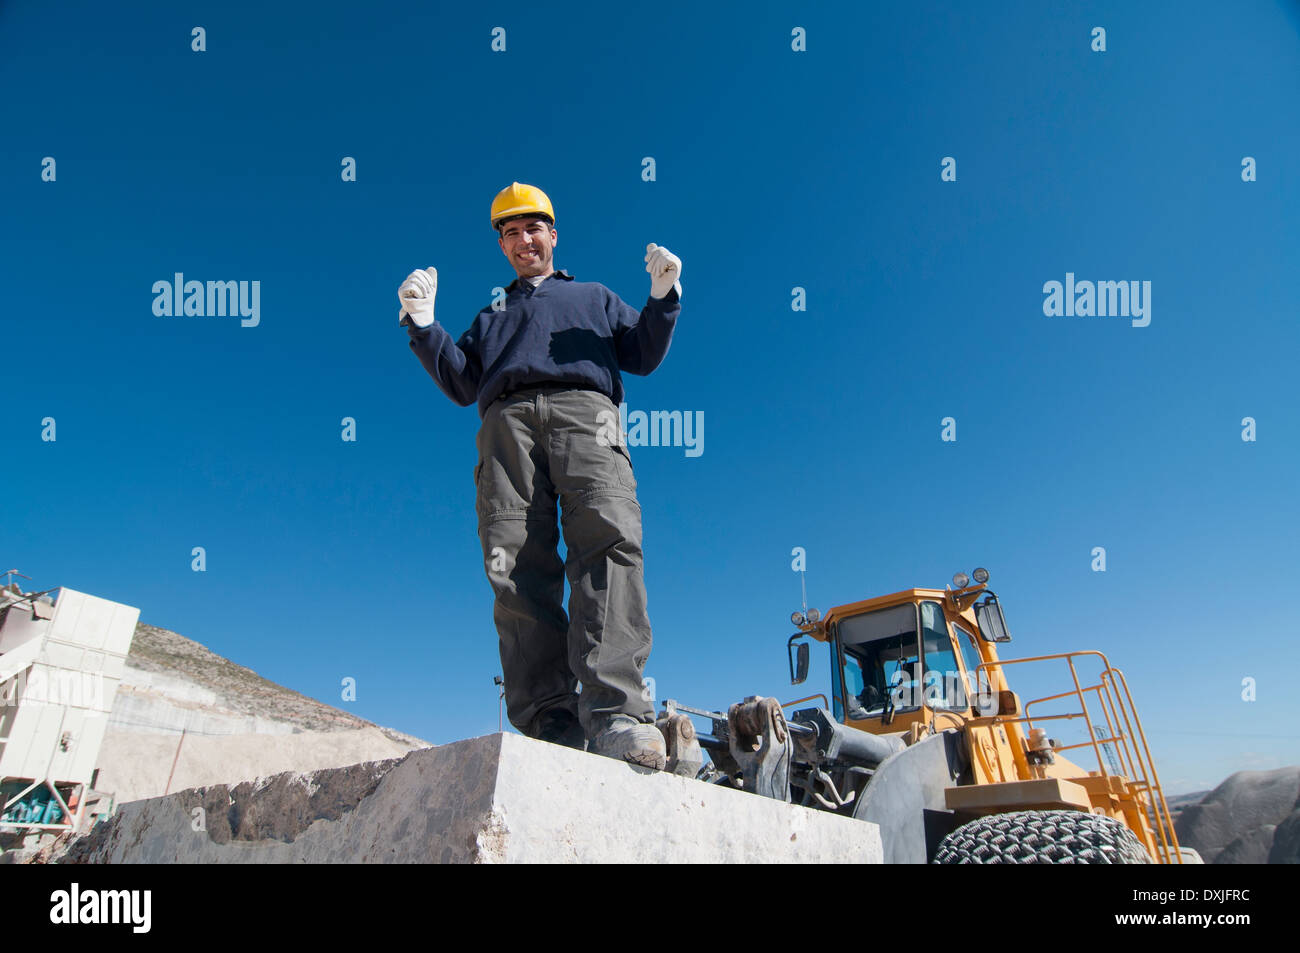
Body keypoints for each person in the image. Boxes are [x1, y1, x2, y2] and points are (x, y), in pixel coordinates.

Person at [397, 182, 683, 770]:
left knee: (608, 542)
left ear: (553, 234)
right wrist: (424, 326)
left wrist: (663, 297)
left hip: (588, 414)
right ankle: (551, 717)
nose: (523, 240)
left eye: (533, 228)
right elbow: (461, 383)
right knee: (514, 560)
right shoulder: (491, 315)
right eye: (510, 232)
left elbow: (643, 354)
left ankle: (617, 713)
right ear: (502, 246)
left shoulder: (594, 297)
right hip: (506, 425)